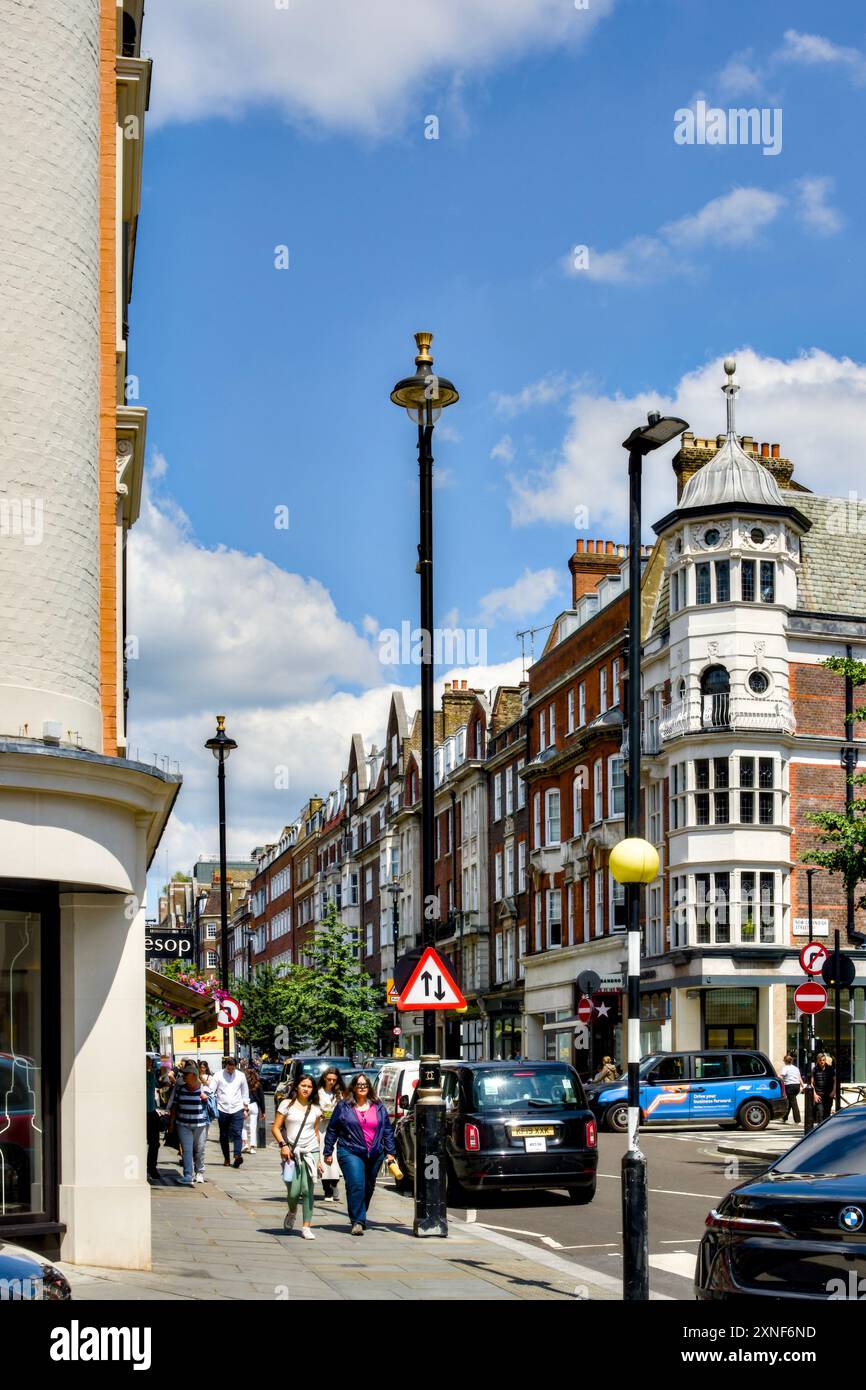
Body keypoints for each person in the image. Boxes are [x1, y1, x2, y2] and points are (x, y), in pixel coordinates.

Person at [322, 1073, 396, 1236]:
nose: (362, 1087)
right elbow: (332, 1128)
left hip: (375, 1153)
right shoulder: (344, 1106)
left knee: (368, 1187)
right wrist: (328, 1151)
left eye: (365, 1085)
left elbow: (387, 1130)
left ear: (369, 1088)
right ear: (353, 1088)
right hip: (350, 1150)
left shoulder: (378, 1106)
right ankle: (358, 1221)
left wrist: (390, 1152)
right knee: (356, 1184)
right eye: (359, 1085)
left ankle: (359, 1213)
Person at [272, 1074, 322, 1238]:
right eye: (303, 1085)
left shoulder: (315, 1108)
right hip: (291, 1153)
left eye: (309, 1086)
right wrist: (283, 1146)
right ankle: (292, 1211)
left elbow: (316, 1133)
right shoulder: (286, 1104)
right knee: (293, 1192)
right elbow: (276, 1128)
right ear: (296, 1087)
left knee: (308, 1190)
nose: (306, 1089)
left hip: (310, 1152)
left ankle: (306, 1227)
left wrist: (319, 1159)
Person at [168, 1062, 211, 1185]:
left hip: (200, 1125)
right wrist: (171, 1123)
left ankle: (200, 1172)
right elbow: (175, 1107)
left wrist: (206, 1098)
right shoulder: (180, 1089)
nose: (184, 1076)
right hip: (183, 1124)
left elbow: (212, 1104)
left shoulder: (204, 1089)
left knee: (200, 1149)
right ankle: (187, 1175)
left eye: (186, 1074)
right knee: (187, 1150)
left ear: (193, 1075)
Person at [209, 1055, 250, 1167]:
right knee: (224, 1134)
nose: (231, 1070)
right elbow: (211, 1090)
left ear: (236, 1066)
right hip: (222, 1108)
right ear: (225, 1066)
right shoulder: (218, 1075)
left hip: (237, 1108)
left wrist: (246, 1108)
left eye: (233, 1068)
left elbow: (245, 1092)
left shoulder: (241, 1076)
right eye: (229, 1068)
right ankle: (226, 1158)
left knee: (237, 1132)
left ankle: (237, 1156)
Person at [317, 1067, 345, 1201]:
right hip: (322, 1128)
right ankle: (326, 1188)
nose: (332, 1082)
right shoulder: (318, 1092)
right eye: (329, 1079)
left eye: (334, 1079)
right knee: (324, 1157)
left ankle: (334, 1185)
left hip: (337, 1129)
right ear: (324, 1078)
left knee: (335, 1158)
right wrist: (319, 1114)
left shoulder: (340, 1093)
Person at [146, 1056, 162, 1182]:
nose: (149, 1064)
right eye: (147, 1062)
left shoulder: (151, 1075)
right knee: (151, 1142)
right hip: (142, 1113)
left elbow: (158, 1084)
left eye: (150, 1062)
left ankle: (151, 1167)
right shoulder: (142, 1075)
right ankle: (149, 1168)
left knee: (155, 1143)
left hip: (151, 1111)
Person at [244, 1069, 265, 1154]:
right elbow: (261, 1099)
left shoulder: (245, 1084)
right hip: (254, 1106)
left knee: (244, 1126)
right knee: (253, 1127)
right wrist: (263, 1111)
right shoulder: (258, 1085)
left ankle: (245, 1143)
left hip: (245, 1105)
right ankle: (252, 1147)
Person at [778, 1054, 803, 1123]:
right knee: (789, 1102)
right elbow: (799, 1078)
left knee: (793, 1103)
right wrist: (803, 1086)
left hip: (789, 1086)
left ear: (785, 1061)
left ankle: (798, 1120)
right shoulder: (796, 1068)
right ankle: (784, 1118)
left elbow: (781, 1076)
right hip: (797, 1086)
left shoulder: (785, 1068)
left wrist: (778, 1080)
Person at [811, 1053, 835, 1123]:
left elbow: (835, 1081)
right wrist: (815, 1095)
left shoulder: (830, 1069)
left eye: (823, 1060)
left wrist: (833, 1092)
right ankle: (820, 1130)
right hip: (819, 1096)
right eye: (820, 1060)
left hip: (828, 1095)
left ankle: (826, 1130)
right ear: (817, 1061)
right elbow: (811, 1083)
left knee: (827, 1114)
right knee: (820, 1113)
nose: (822, 1062)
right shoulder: (814, 1070)